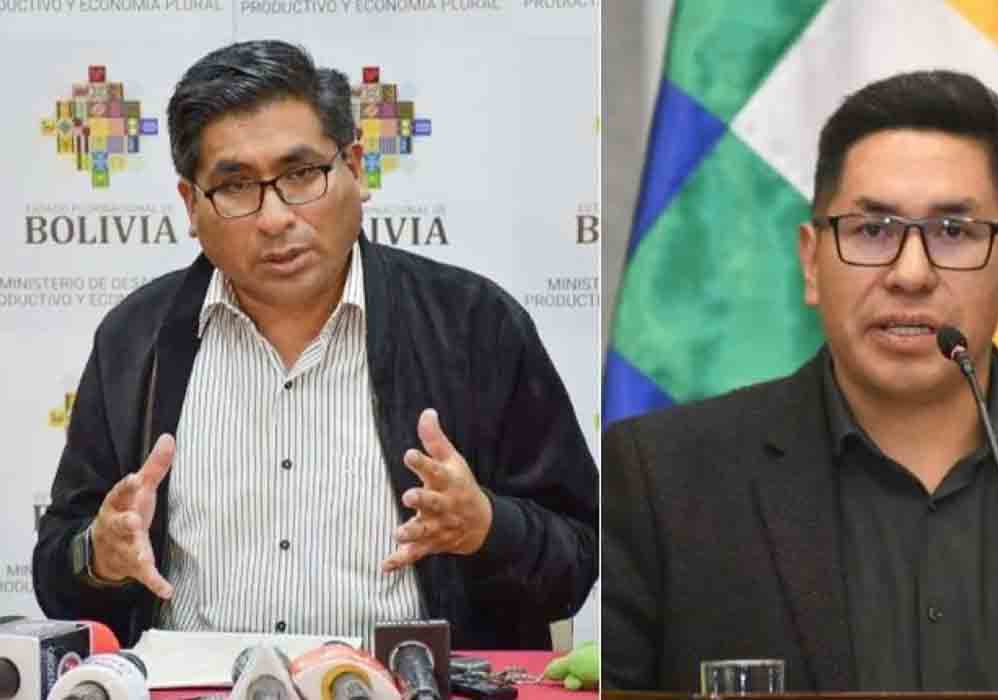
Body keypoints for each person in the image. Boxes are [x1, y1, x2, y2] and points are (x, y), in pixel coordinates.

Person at [602, 70, 998, 690]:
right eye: (873, 230)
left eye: (953, 232)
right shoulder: (664, 481)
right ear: (811, 262)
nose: (910, 274)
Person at [33, 40, 598, 649]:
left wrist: (487, 527)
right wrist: (98, 556)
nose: (275, 217)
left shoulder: (474, 324)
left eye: (302, 175)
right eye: (236, 186)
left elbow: (578, 557)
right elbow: (58, 573)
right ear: (191, 206)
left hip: (407, 685)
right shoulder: (134, 337)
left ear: (355, 167)